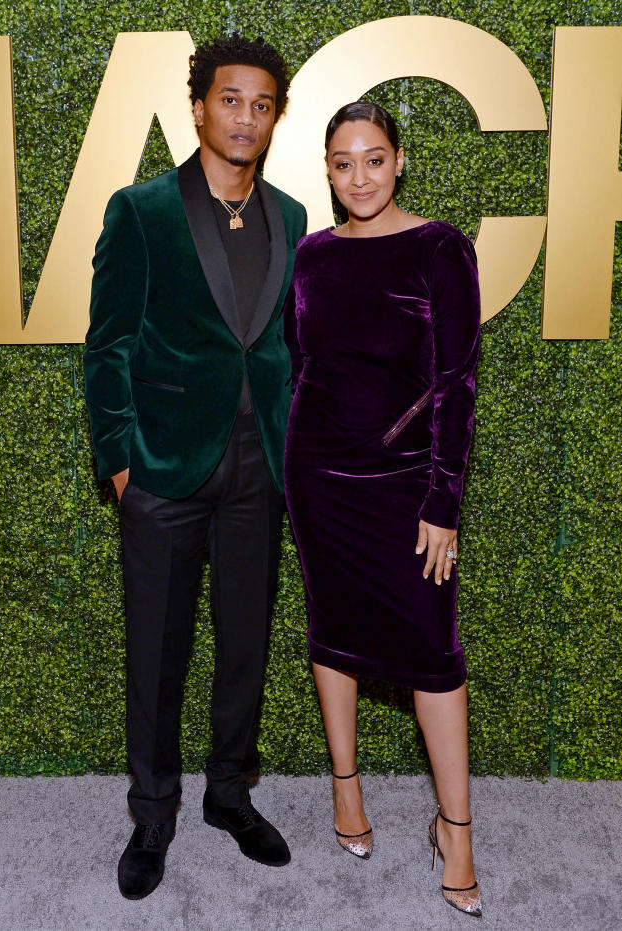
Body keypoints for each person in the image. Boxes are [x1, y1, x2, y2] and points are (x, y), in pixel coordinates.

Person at [83, 34, 307, 900]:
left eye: (260, 104)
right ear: (200, 105)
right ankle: (152, 811)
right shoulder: (141, 210)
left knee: (244, 644)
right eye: (229, 100)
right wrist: (121, 466)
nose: (244, 116)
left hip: (260, 472)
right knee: (158, 651)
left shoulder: (289, 215)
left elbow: (283, 344)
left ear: (272, 115)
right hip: (164, 470)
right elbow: (106, 347)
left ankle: (227, 793)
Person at [284, 101, 482, 918]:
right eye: (341, 162)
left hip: (407, 484)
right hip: (320, 475)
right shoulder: (311, 256)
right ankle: (344, 790)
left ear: (399, 160)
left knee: (433, 650)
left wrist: (441, 500)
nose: (357, 176)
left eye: (372, 158)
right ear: (326, 171)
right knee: (333, 632)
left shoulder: (440, 247)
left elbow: (456, 382)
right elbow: (302, 367)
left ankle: (456, 829)